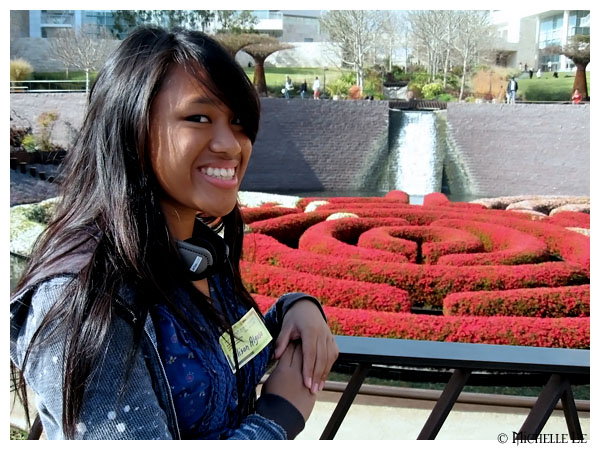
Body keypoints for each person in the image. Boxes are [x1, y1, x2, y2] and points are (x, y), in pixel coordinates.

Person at [10, 26, 338, 440]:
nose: (231, 145)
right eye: (198, 118)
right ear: (132, 127)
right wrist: (279, 417)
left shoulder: (199, 253)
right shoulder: (85, 300)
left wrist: (295, 308)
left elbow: (217, 359)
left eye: (238, 122)